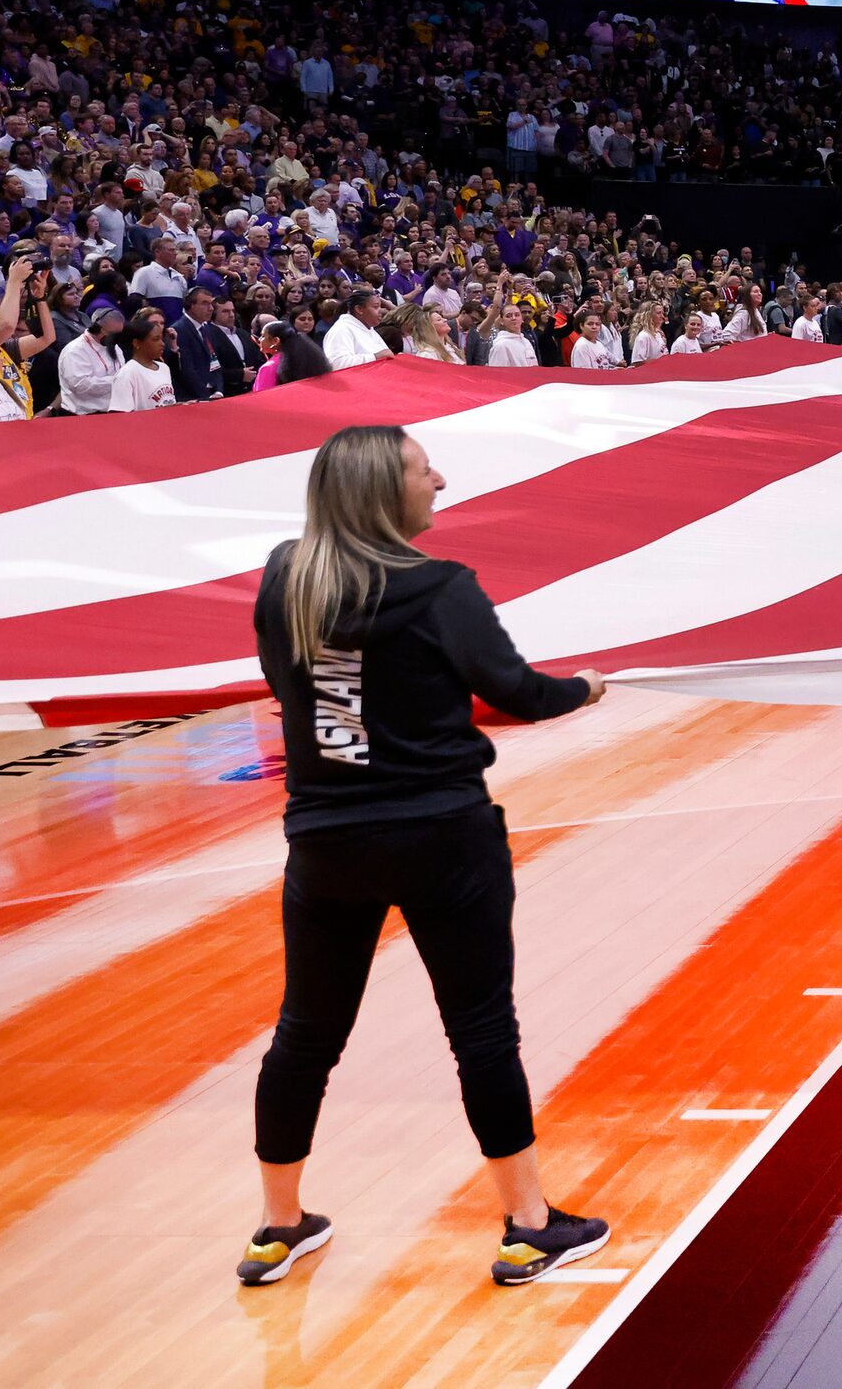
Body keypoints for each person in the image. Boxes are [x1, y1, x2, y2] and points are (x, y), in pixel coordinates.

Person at [243, 425, 613, 1289]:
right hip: (443, 837)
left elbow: (288, 683)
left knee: (304, 1035)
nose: (439, 480)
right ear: (383, 492)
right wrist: (588, 687)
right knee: (482, 1031)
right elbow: (520, 695)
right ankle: (527, 1229)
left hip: (326, 842)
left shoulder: (283, 578)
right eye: (422, 470)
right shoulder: (441, 588)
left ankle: (277, 1227)